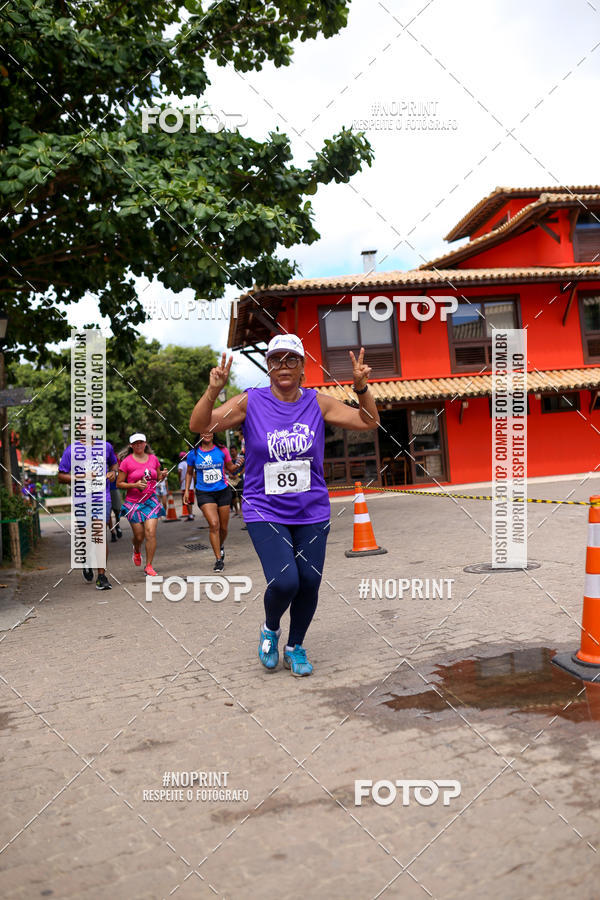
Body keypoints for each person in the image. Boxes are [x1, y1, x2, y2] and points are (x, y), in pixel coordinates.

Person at [189, 335, 379, 676]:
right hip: (265, 509)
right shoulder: (250, 402)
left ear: (303, 366)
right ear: (268, 366)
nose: (283, 366)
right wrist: (213, 391)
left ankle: (295, 646)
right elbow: (199, 425)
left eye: (291, 359)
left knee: (309, 582)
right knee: (286, 581)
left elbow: (368, 421)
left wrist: (362, 388)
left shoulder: (318, 403)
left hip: (312, 510)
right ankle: (270, 628)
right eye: (276, 360)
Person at [58, 433, 119, 590]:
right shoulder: (71, 450)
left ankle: (101, 576)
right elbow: (61, 476)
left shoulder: (106, 447)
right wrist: (82, 476)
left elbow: (114, 465)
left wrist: (113, 473)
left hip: (102, 497)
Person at [183, 434, 237, 572]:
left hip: (223, 491)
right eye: (204, 432)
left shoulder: (222, 450)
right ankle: (218, 560)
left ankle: (220, 544)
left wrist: (238, 464)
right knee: (214, 524)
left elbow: (230, 468)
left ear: (213, 433)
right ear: (200, 434)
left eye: (209, 431)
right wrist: (187, 490)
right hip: (204, 493)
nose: (207, 434)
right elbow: (189, 473)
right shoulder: (194, 453)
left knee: (223, 528)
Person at [117, 433, 168, 577]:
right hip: (133, 503)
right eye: (135, 443)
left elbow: (157, 477)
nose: (138, 445)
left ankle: (149, 566)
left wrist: (163, 475)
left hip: (150, 501)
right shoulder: (126, 462)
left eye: (141, 442)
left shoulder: (153, 459)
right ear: (131, 446)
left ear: (145, 444)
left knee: (150, 533)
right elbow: (119, 483)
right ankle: (137, 549)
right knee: (139, 536)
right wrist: (135, 485)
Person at [178, 451, 194, 520]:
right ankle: (191, 514)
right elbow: (193, 473)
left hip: (184, 484)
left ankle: (190, 515)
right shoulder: (189, 463)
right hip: (191, 484)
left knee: (187, 500)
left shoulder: (181, 464)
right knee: (191, 501)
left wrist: (180, 479)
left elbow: (179, 471)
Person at [228, 446, 244, 516]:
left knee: (241, 496)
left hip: (239, 479)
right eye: (231, 451)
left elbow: (244, 468)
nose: (232, 453)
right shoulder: (229, 459)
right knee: (233, 496)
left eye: (233, 451)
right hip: (231, 480)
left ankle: (241, 510)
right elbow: (225, 468)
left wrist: (239, 474)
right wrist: (229, 474)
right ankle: (236, 511)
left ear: (236, 451)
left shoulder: (240, 459)